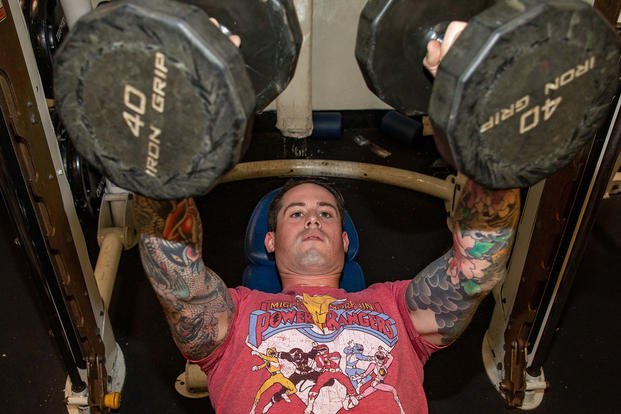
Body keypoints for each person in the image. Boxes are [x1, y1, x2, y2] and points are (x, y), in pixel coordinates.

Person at [133, 22, 520, 414]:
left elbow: (475, 269)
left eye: (326, 213)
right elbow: (178, 282)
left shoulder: (397, 308)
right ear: (269, 241)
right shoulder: (234, 318)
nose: (312, 220)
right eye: (296, 213)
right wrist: (167, 131)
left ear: (346, 240)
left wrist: (477, 122)